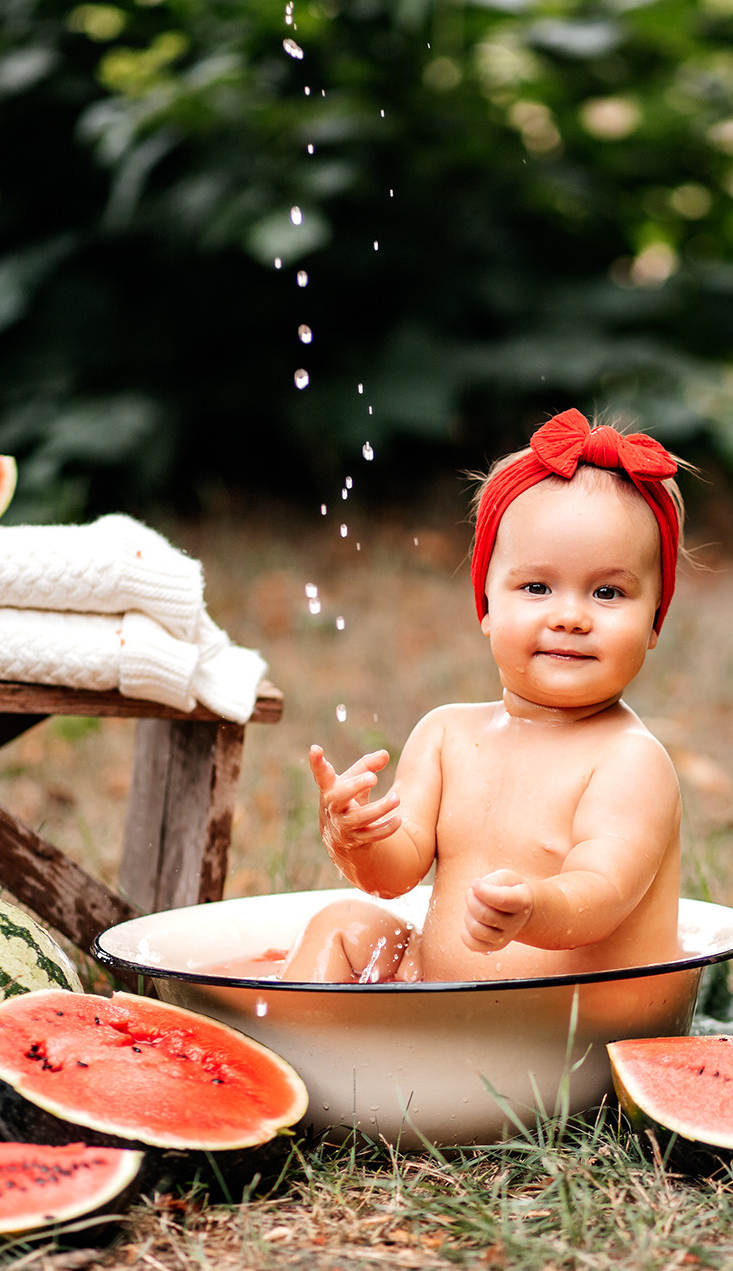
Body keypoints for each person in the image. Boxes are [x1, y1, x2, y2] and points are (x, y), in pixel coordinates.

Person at [280, 408, 689, 982]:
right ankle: (295, 1052)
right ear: (488, 607)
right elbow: (395, 874)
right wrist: (355, 837)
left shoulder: (630, 761)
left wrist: (533, 910)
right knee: (341, 923)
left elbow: (601, 894)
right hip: (441, 1001)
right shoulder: (447, 735)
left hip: (566, 1024)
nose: (569, 616)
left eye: (607, 591)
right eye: (537, 587)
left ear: (653, 621)